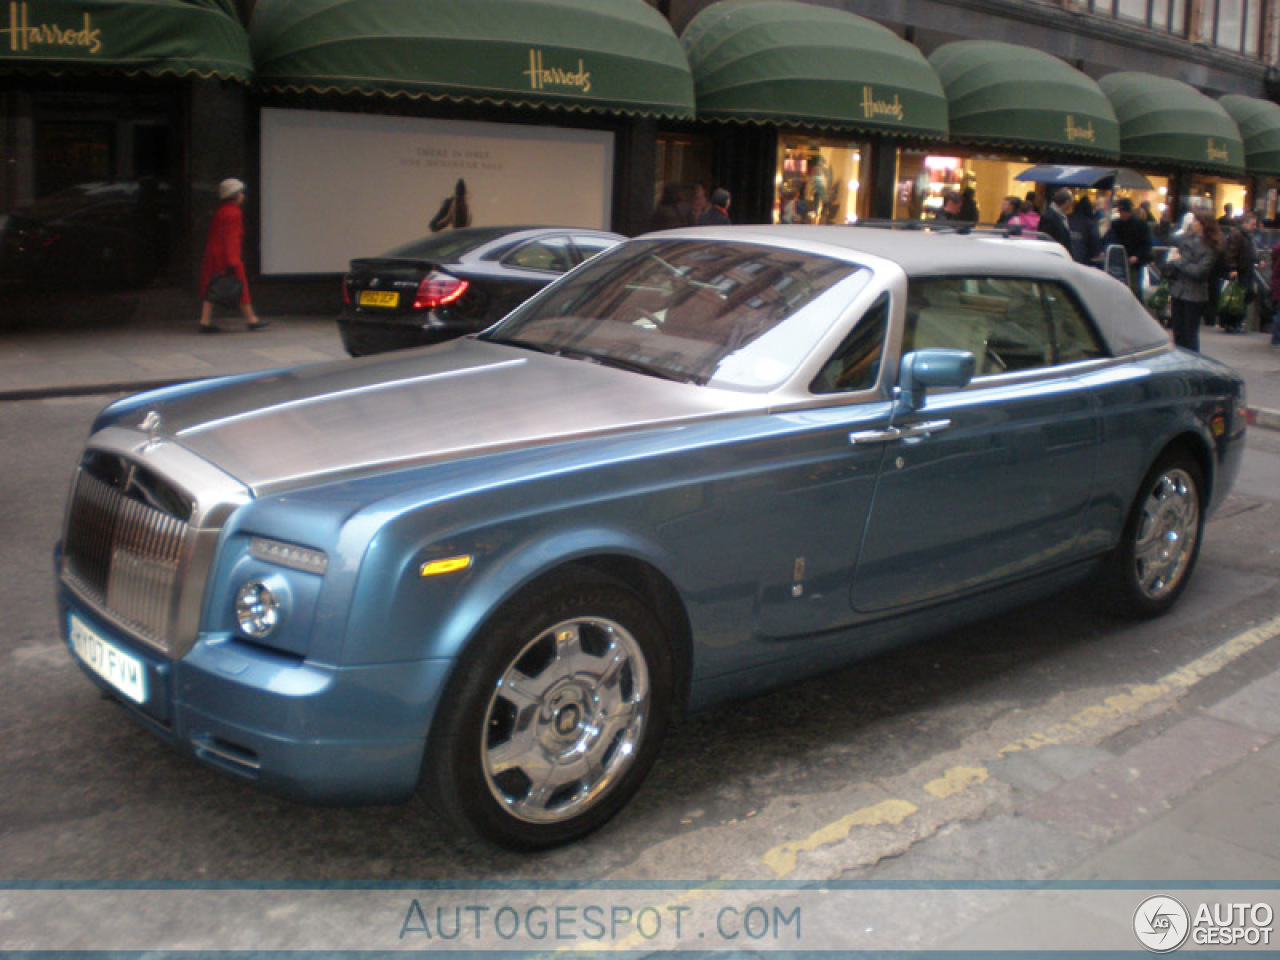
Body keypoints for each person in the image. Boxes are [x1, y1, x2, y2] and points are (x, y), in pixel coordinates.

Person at [198, 178, 266, 333]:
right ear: (236, 195)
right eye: (241, 193)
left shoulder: (220, 211)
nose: (243, 196)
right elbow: (232, 239)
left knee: (211, 287)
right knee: (241, 286)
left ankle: (205, 320)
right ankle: (251, 319)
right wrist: (232, 262)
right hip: (227, 256)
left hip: (213, 255)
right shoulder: (234, 213)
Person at [1164, 210, 1221, 352]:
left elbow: (1199, 271)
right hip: (1179, 291)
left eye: (1196, 221)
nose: (1193, 223)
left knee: (1189, 333)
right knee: (1177, 331)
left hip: (1194, 295)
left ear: (1203, 225)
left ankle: (1192, 360)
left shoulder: (1210, 247)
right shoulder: (1186, 239)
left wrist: (1180, 262)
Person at [1219, 210, 1259, 333]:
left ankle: (1235, 321)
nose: (1254, 227)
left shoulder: (1246, 236)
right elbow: (1231, 252)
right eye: (1252, 224)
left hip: (1246, 269)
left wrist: (1257, 260)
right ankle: (1232, 322)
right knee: (1238, 296)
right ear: (1245, 223)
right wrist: (1232, 268)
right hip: (1241, 271)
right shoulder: (1238, 234)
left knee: (1244, 295)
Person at [1104, 197, 1152, 295]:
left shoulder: (1140, 225)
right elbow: (1108, 239)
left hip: (1133, 263)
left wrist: (1137, 257)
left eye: (1123, 211)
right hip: (1118, 262)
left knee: (1133, 288)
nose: (1121, 214)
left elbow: (1146, 245)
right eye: (1120, 211)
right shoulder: (1116, 224)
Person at [1067, 194, 1104, 266]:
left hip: (1066, 257)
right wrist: (1096, 254)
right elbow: (1095, 241)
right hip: (1082, 261)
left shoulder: (1067, 219)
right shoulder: (1091, 223)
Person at [1038, 187, 1073, 251]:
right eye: (1071, 201)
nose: (1072, 204)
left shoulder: (1060, 215)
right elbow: (1045, 238)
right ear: (1067, 202)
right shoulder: (1050, 217)